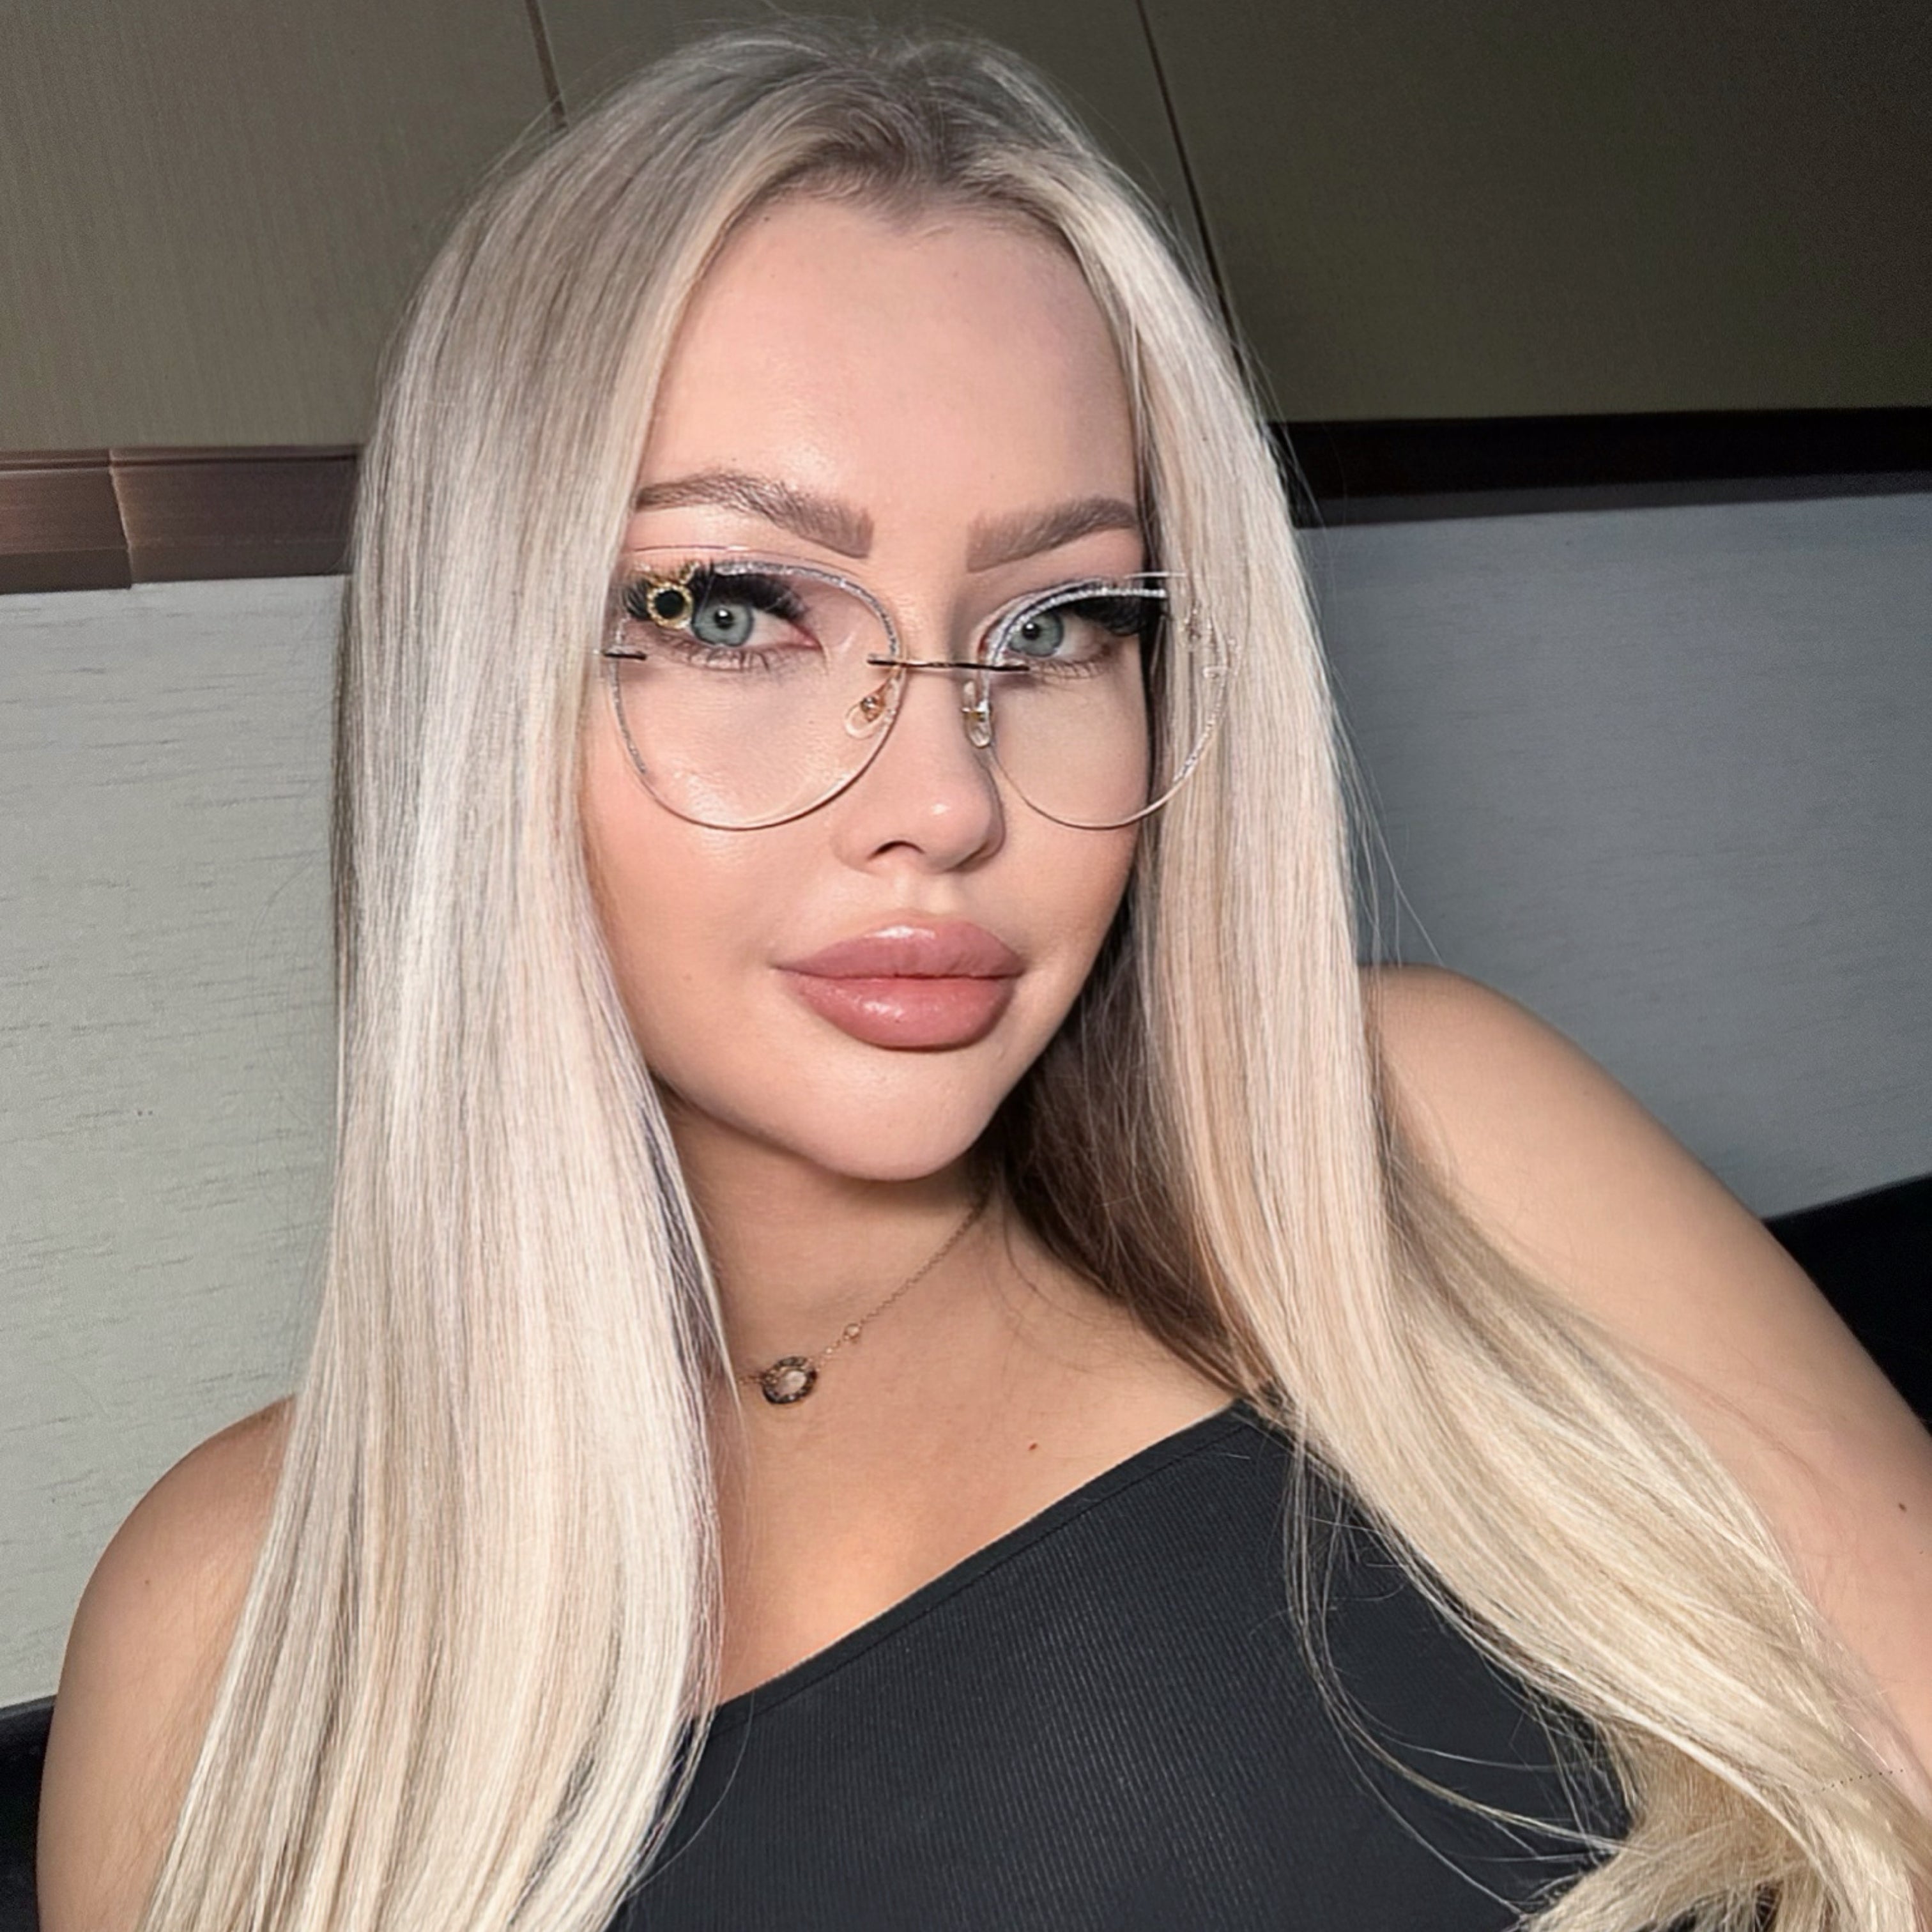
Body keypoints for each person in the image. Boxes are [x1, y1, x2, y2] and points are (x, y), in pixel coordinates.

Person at [34, 20, 1932, 1932]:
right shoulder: (228, 1626)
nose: (946, 800)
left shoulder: (1411, 1150)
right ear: (474, 682)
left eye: (1059, 625)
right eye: (729, 608)